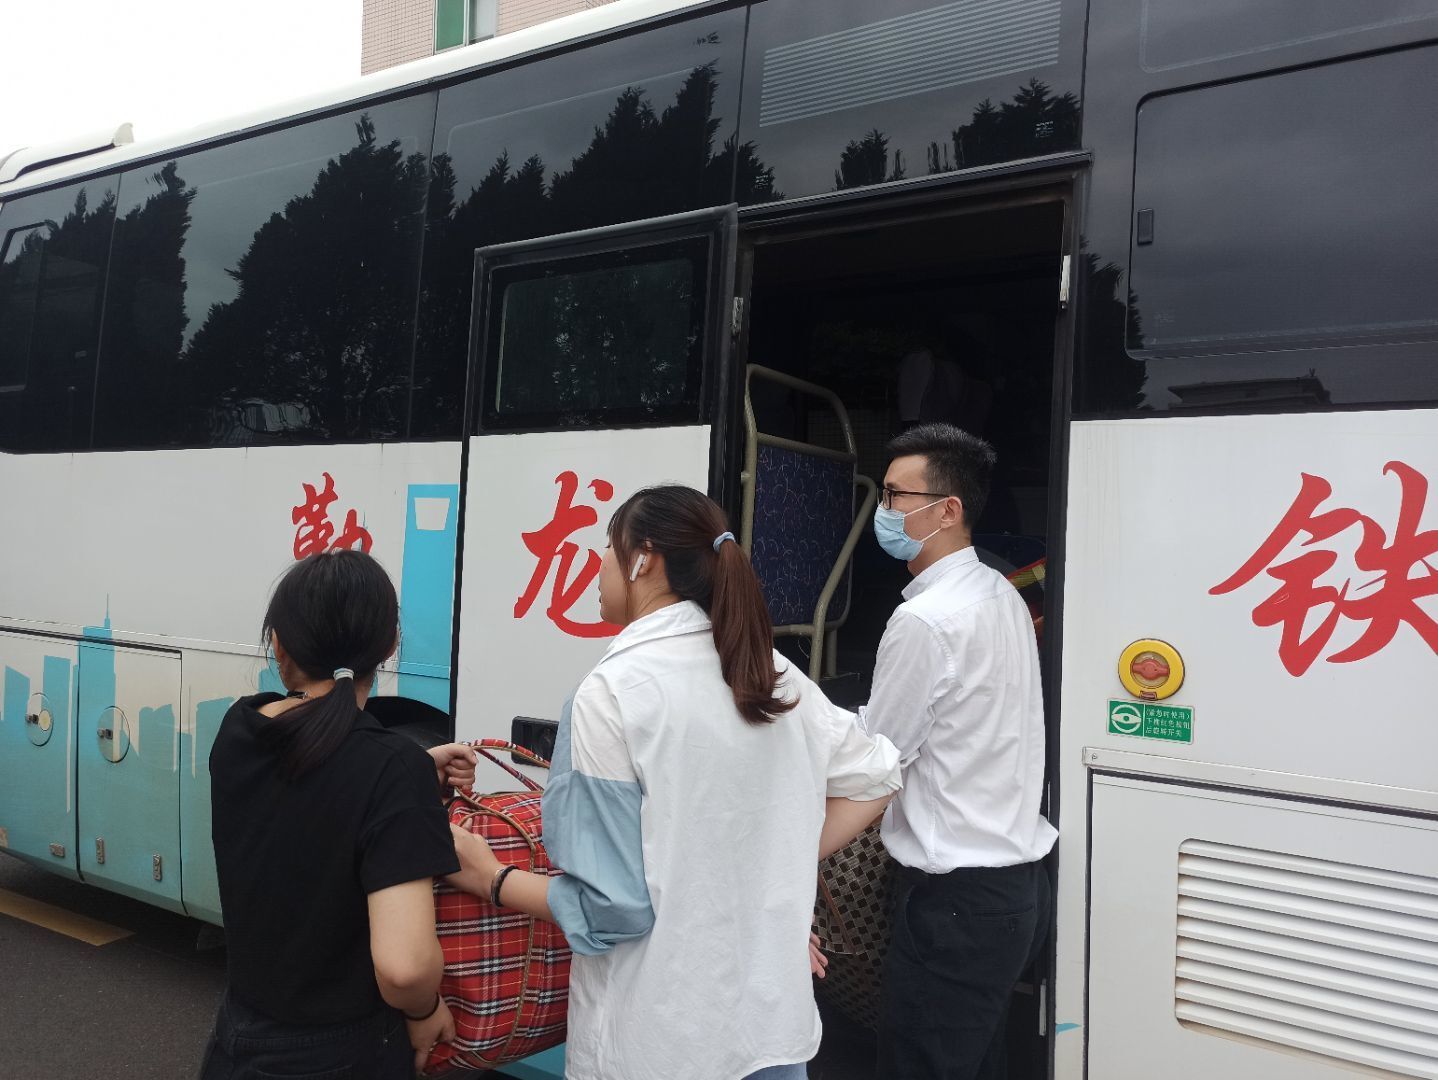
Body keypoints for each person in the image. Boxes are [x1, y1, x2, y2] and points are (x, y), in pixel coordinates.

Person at [446, 485, 902, 1080]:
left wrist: (491, 876)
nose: (599, 565)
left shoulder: (612, 693)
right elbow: (877, 775)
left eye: (607, 548)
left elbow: (612, 910)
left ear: (643, 559)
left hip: (661, 1043)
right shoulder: (774, 673)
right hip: (774, 1035)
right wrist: (771, 860)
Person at [202, 549, 480, 1079]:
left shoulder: (238, 729)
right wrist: (425, 1011)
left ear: (278, 644)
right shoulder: (388, 769)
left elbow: (309, 788)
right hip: (343, 1053)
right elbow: (404, 969)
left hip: (238, 1035)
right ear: (390, 645)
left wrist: (412, 775)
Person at [859, 422, 1057, 1080]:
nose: (883, 510)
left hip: (955, 906)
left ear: (947, 510)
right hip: (1015, 892)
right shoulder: (1001, 594)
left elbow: (878, 759)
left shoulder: (924, 620)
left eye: (896, 496)